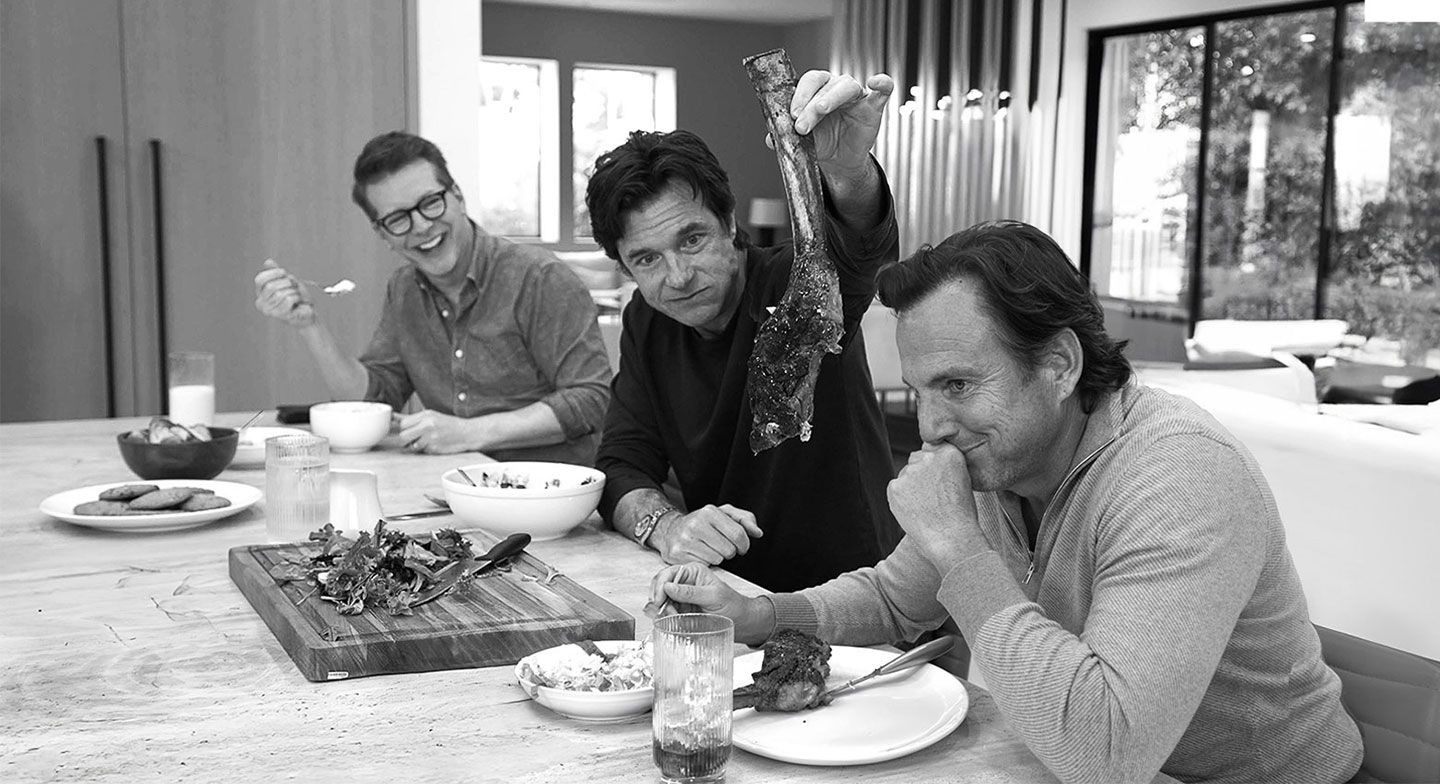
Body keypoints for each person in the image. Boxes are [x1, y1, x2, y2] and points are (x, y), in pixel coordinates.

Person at [647, 221, 1364, 784]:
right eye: (921, 392)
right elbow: (898, 599)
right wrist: (759, 615)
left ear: (1057, 365)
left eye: (957, 386)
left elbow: (1105, 754)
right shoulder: (1007, 458)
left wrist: (959, 545)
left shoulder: (1177, 476)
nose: (929, 427)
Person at [584, 70, 904, 593]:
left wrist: (847, 175)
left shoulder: (795, 282)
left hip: (857, 596)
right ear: (624, 268)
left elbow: (858, 249)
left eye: (691, 240)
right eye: (647, 259)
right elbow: (621, 464)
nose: (679, 277)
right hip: (731, 599)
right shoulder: (647, 320)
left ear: (729, 222)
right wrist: (666, 527)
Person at [254, 131, 611, 465]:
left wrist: (469, 433)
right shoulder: (404, 289)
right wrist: (309, 325)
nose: (422, 226)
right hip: (455, 492)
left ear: (457, 195)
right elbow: (373, 401)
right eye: (397, 219)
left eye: (430, 203)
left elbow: (592, 399)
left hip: (556, 501)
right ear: (382, 234)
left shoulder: (540, 278)